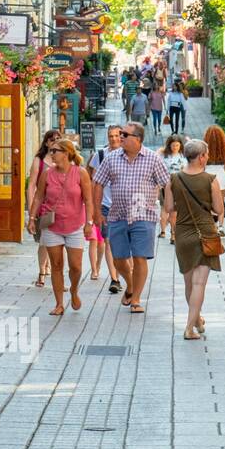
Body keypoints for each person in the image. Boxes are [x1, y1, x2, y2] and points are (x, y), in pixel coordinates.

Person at [92, 121, 171, 312]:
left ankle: (135, 299)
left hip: (143, 215)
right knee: (119, 258)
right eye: (120, 134)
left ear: (138, 139)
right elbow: (98, 183)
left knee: (139, 258)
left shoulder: (153, 159)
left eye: (125, 135)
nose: (120, 137)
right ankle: (130, 283)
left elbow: (167, 183)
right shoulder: (111, 158)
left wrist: (168, 208)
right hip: (117, 214)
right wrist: (96, 212)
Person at [164, 138, 225, 341]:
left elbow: (169, 208)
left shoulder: (173, 179)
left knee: (189, 283)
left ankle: (197, 319)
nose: (207, 158)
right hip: (205, 233)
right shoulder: (210, 179)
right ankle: (189, 328)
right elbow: (219, 209)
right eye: (206, 154)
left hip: (182, 233)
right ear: (201, 157)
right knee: (199, 285)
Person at [27, 139, 94, 316]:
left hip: (75, 225)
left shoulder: (81, 173)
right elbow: (39, 197)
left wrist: (89, 223)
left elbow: (88, 200)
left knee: (76, 267)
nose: (51, 154)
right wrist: (32, 218)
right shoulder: (47, 174)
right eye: (51, 151)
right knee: (56, 265)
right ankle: (59, 303)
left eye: (55, 151)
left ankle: (73, 290)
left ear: (66, 153)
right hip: (52, 226)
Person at [88, 125, 125, 292]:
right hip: (105, 205)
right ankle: (114, 278)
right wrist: (94, 209)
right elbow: (95, 182)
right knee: (109, 241)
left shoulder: (128, 155)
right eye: (111, 136)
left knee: (124, 243)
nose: (114, 139)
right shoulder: (101, 155)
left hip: (125, 205)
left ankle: (126, 270)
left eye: (117, 135)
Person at [26, 129, 60, 287]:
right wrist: (31, 208)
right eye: (52, 140)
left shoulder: (65, 160)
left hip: (60, 208)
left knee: (59, 243)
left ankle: (55, 273)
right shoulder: (39, 161)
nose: (55, 142)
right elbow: (31, 185)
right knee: (44, 242)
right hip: (44, 208)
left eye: (58, 139)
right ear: (46, 142)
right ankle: (42, 272)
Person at [203, 125, 225, 229]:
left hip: (207, 176)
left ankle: (212, 224)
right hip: (221, 175)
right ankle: (221, 225)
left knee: (208, 201)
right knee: (221, 201)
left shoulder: (204, 149)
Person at [159, 134, 186, 240]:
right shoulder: (164, 155)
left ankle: (173, 233)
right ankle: (165, 231)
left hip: (180, 185)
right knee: (166, 208)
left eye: (177, 145)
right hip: (166, 185)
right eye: (173, 145)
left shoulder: (183, 155)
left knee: (175, 211)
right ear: (169, 145)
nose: (175, 147)